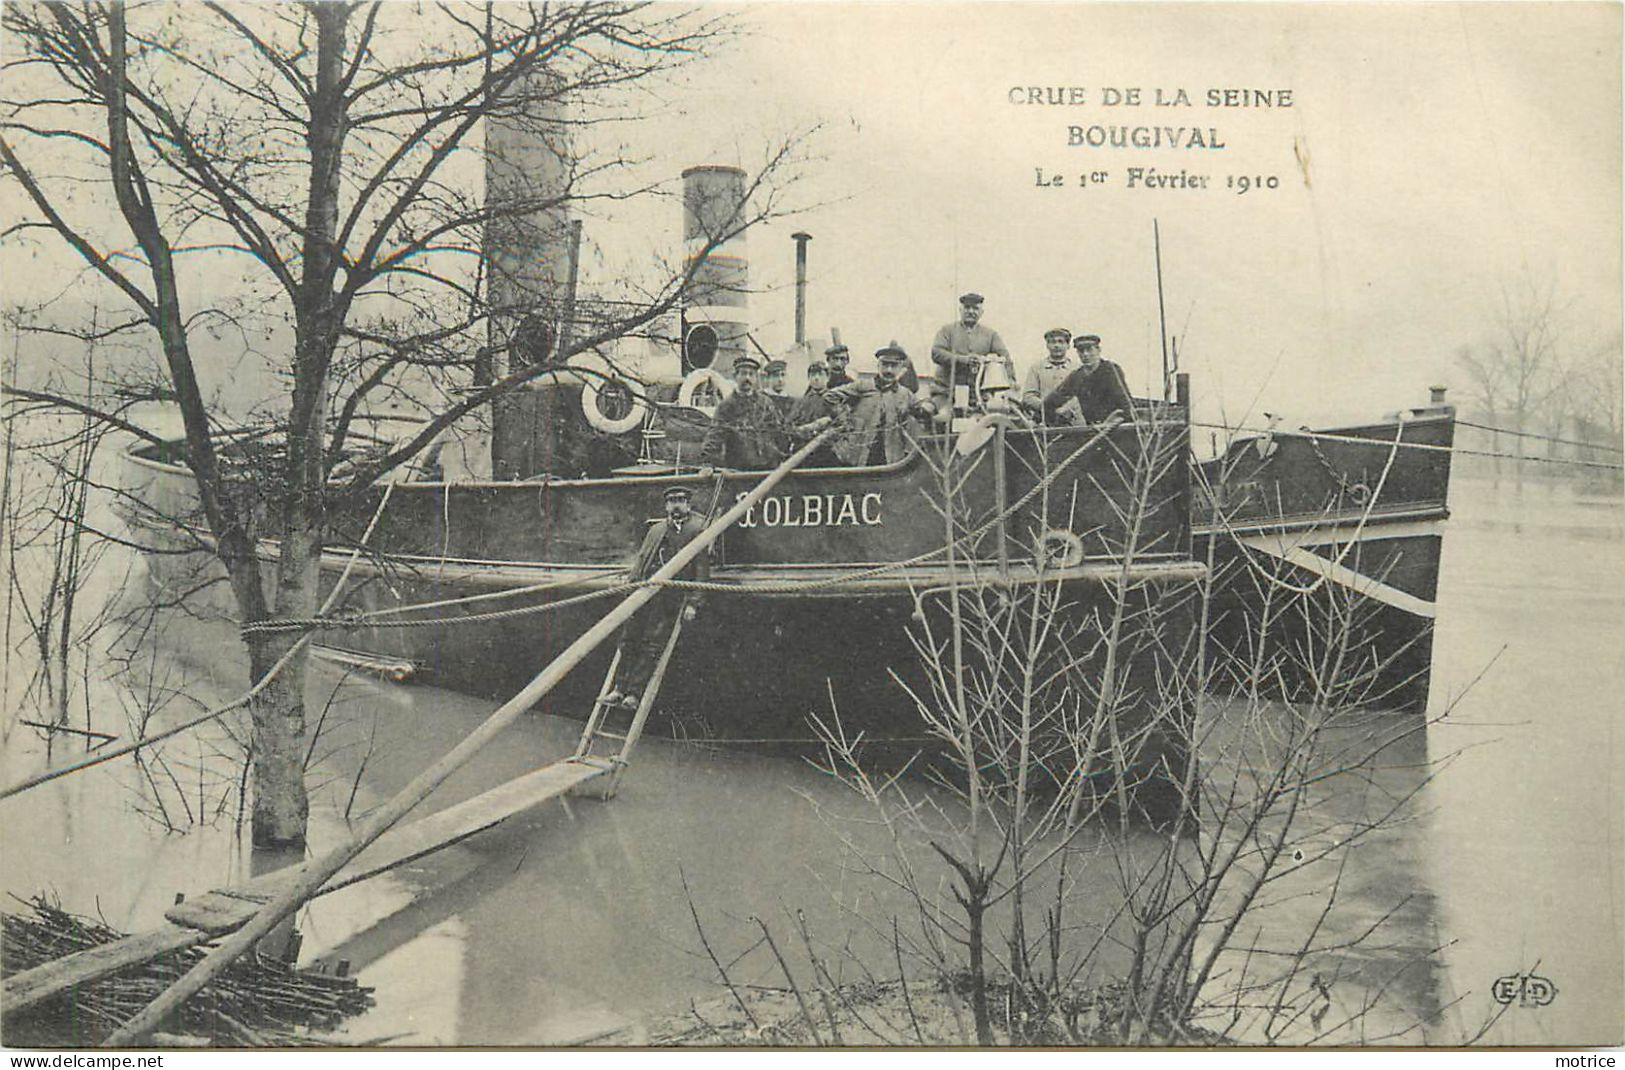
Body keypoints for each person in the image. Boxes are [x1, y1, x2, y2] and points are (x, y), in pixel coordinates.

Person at [604, 485, 709, 709]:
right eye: (672, 501)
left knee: (652, 644)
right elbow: (642, 559)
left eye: (681, 500)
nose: (676, 504)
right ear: (666, 506)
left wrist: (694, 603)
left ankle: (634, 693)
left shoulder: (697, 529)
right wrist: (630, 589)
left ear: (688, 504)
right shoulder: (657, 530)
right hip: (645, 592)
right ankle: (619, 688)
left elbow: (701, 569)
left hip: (670, 596)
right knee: (628, 639)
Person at [825, 343, 936, 466]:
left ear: (900, 368)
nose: (888, 370)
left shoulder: (905, 394)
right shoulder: (863, 386)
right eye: (885, 365)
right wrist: (844, 421)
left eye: (893, 366)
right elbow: (830, 396)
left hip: (890, 457)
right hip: (858, 454)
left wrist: (929, 406)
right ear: (878, 366)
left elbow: (923, 406)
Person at [930, 292, 1014, 420]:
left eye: (975, 308)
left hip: (977, 397)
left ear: (981, 312)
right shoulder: (947, 331)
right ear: (960, 310)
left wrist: (1011, 381)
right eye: (967, 308)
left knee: (988, 423)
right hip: (946, 394)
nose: (971, 311)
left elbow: (1004, 358)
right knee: (943, 419)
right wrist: (964, 360)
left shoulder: (990, 335)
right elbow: (936, 353)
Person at [699, 353, 787, 469]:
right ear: (735, 376)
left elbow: (778, 431)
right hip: (740, 470)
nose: (747, 378)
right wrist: (708, 463)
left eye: (751, 374)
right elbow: (715, 436)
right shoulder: (726, 406)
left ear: (756, 378)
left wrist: (781, 457)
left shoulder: (766, 403)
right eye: (743, 373)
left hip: (768, 468)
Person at [1042, 333, 1135, 426]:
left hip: (1117, 427)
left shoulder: (1110, 370)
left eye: (1089, 350)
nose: (1085, 354)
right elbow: (1052, 400)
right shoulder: (1077, 376)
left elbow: (1125, 402)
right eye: (1081, 351)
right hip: (1092, 429)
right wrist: (1041, 418)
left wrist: (1121, 420)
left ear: (1098, 350)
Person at [1022, 327, 1082, 425]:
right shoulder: (1037, 368)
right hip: (1045, 424)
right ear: (1047, 345)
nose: (1056, 346)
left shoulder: (1077, 369)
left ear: (1068, 345)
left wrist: (1067, 408)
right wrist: (1047, 408)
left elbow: (1082, 396)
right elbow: (1028, 396)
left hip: (1073, 422)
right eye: (1052, 342)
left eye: (1061, 342)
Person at [788, 361, 839, 465]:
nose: (816, 378)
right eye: (813, 375)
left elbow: (842, 423)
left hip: (828, 452)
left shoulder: (835, 399)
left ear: (827, 377)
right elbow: (791, 426)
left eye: (820, 374)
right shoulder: (801, 402)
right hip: (804, 452)